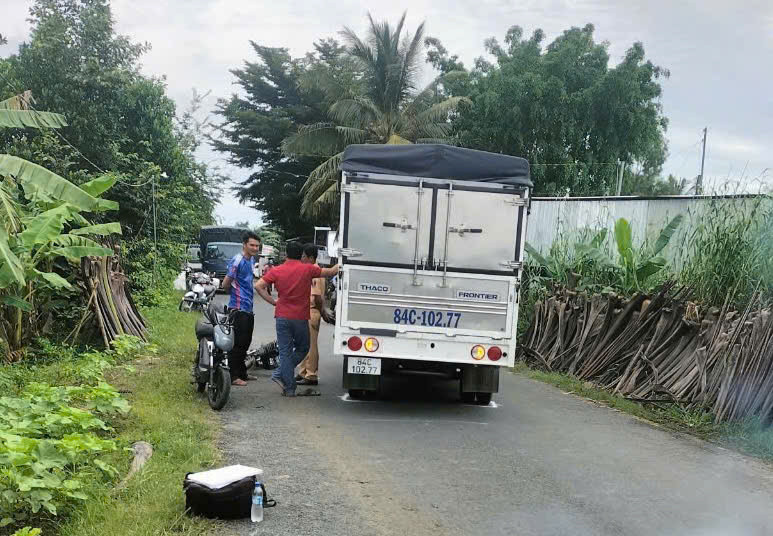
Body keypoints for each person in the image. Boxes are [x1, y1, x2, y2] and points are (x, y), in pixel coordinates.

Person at [255, 242, 338, 396]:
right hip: (300, 317)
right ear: (301, 255)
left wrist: (273, 302)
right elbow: (331, 271)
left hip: (282, 316)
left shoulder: (277, 270)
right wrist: (344, 262)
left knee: (285, 352)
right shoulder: (307, 269)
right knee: (303, 348)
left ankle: (288, 386)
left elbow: (259, 286)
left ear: (286, 254)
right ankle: (283, 378)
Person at [222, 231, 262, 387]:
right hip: (238, 308)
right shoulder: (237, 260)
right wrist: (235, 297)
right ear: (244, 244)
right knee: (238, 343)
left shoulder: (251, 260)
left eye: (257, 246)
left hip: (248, 307)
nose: (254, 248)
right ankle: (233, 376)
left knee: (246, 342)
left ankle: (242, 372)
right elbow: (226, 283)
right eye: (252, 245)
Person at [295, 244, 332, 386]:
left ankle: (311, 374)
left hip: (312, 311)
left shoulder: (316, 272)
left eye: (304, 256)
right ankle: (303, 371)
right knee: (304, 344)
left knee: (311, 345)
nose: (302, 258)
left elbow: (317, 296)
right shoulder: (309, 270)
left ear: (310, 257)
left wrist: (322, 312)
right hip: (306, 311)